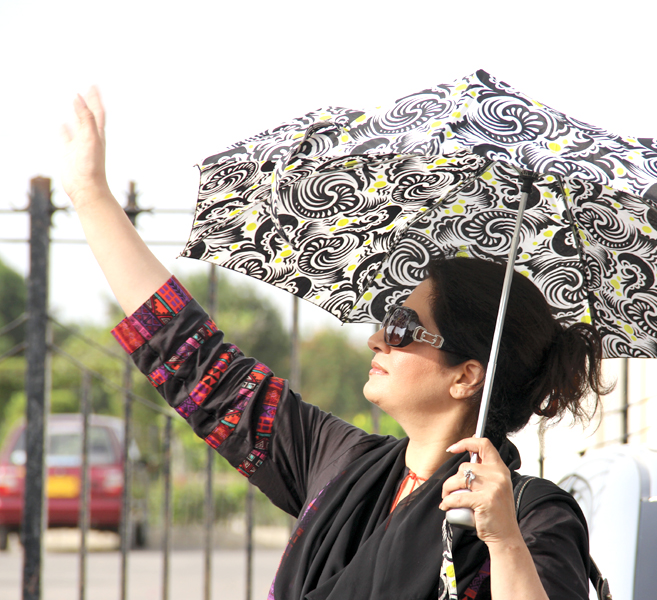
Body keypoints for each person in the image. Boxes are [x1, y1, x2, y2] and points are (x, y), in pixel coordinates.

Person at [61, 88, 610, 600]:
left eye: (401, 328)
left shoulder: (534, 517)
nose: (375, 339)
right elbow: (197, 360)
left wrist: (504, 542)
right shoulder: (342, 463)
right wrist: (91, 197)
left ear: (467, 375)